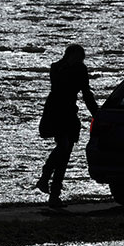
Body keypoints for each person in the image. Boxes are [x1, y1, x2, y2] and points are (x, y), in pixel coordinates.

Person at [36, 44, 98, 207]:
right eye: (77, 57)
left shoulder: (80, 69)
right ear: (69, 55)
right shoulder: (56, 68)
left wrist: (96, 114)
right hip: (56, 112)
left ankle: (53, 194)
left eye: (81, 58)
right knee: (63, 147)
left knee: (65, 154)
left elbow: (86, 93)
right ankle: (45, 177)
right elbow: (58, 88)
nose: (80, 60)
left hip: (69, 113)